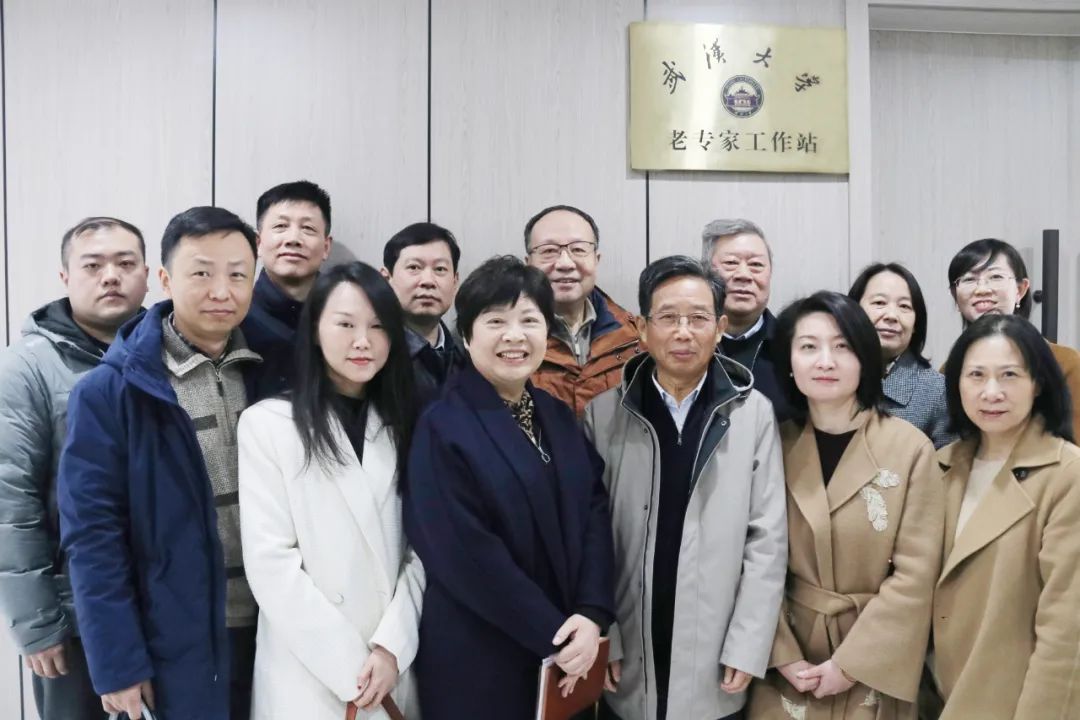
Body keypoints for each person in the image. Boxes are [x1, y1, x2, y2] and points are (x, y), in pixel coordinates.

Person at [58, 206, 274, 720]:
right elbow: (93, 538)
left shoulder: (274, 372)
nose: (221, 291)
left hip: (276, 630)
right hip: (173, 640)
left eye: (238, 275)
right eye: (201, 273)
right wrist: (118, 664)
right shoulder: (110, 391)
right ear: (165, 279)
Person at [403, 255, 615, 719]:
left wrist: (592, 612)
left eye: (529, 321)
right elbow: (466, 553)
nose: (514, 336)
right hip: (483, 657)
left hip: (569, 647)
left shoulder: (555, 414)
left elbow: (595, 510)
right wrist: (555, 634)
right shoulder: (443, 425)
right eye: (496, 321)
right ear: (466, 335)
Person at [585, 256, 787, 720]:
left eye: (698, 318)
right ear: (642, 328)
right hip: (628, 635)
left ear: (719, 328)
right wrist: (605, 631)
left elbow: (767, 539)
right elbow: (589, 535)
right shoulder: (604, 413)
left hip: (716, 645)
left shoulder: (752, 413)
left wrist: (748, 643)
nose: (683, 332)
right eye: (668, 318)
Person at [239, 262, 425, 719]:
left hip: (392, 661)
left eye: (378, 327)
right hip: (309, 671)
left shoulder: (407, 421)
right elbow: (270, 563)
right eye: (345, 325)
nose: (363, 341)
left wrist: (392, 648)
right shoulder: (268, 424)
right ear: (315, 331)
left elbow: (422, 550)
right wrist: (351, 667)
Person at [747, 291, 944, 720]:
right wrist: (781, 654)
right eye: (808, 347)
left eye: (842, 347)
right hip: (786, 660)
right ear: (789, 363)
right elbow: (749, 556)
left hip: (874, 661)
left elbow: (916, 574)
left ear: (866, 360)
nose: (825, 361)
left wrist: (851, 665)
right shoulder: (772, 444)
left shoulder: (910, 449)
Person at [0, 217, 148, 720]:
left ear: (148, 275)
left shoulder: (166, 353)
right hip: (74, 618)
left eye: (125, 263)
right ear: (65, 277)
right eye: (93, 265)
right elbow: (10, 501)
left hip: (163, 608)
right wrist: (37, 623)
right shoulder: (27, 367)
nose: (111, 276)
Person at [930, 314, 1080, 719]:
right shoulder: (940, 466)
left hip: (1010, 702)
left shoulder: (1068, 474)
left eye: (1009, 375)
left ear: (1038, 383)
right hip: (935, 698)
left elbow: (1067, 629)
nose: (991, 392)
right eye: (976, 375)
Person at [948, 237, 1080, 435]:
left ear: (1020, 289)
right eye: (969, 279)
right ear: (956, 297)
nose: (982, 289)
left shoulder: (1065, 362)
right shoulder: (949, 369)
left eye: (995, 277)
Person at [525, 204, 640, 417]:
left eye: (578, 249)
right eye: (549, 251)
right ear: (528, 264)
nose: (565, 263)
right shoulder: (509, 341)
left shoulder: (636, 337)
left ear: (596, 260)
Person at [849, 262, 954, 448]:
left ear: (916, 325)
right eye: (879, 303)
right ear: (853, 311)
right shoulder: (830, 376)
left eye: (904, 306)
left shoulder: (938, 392)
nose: (891, 315)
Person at [242, 180, 333, 386]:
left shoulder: (346, 319)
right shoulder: (235, 317)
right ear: (258, 243)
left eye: (308, 228)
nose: (293, 239)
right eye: (281, 226)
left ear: (326, 247)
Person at [703, 219, 792, 421]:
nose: (743, 275)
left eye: (756, 265)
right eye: (731, 263)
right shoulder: (685, 345)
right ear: (706, 273)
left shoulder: (792, 346)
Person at [381, 222, 467, 399]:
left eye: (440, 269)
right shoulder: (373, 355)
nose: (428, 281)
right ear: (387, 278)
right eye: (414, 267)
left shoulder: (468, 356)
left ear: (455, 282)